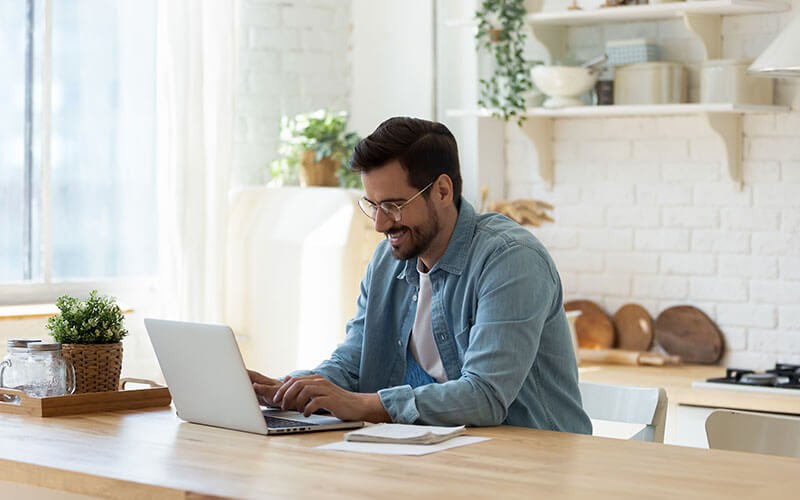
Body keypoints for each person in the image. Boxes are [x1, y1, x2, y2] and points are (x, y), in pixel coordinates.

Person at [248, 117, 591, 433]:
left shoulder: (511, 260)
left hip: (536, 463)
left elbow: (486, 395)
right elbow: (354, 361)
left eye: (393, 206)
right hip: (446, 455)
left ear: (442, 191)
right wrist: (288, 388)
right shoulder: (388, 260)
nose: (380, 224)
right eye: (372, 205)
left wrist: (363, 405)